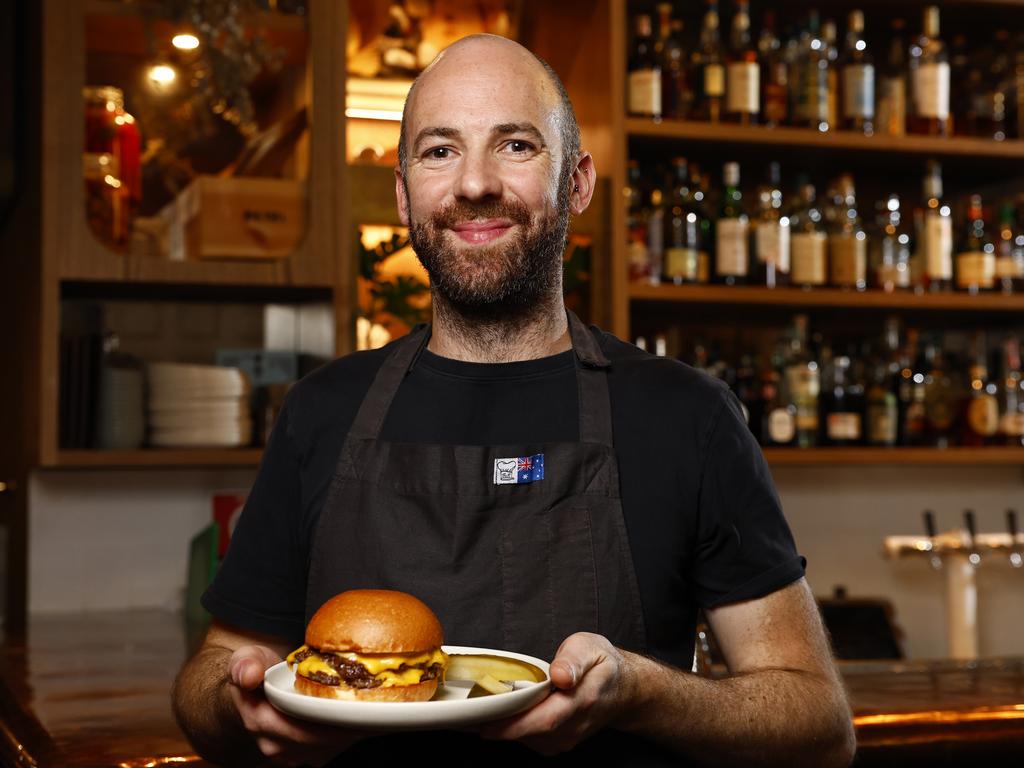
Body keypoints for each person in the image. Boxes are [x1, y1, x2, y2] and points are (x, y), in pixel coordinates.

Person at [173, 34, 856, 767]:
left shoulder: (685, 415)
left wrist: (648, 692)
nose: (473, 184)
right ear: (404, 194)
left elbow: (819, 726)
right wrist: (236, 701)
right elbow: (210, 676)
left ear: (578, 183)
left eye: (515, 145)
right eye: (439, 151)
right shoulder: (321, 413)